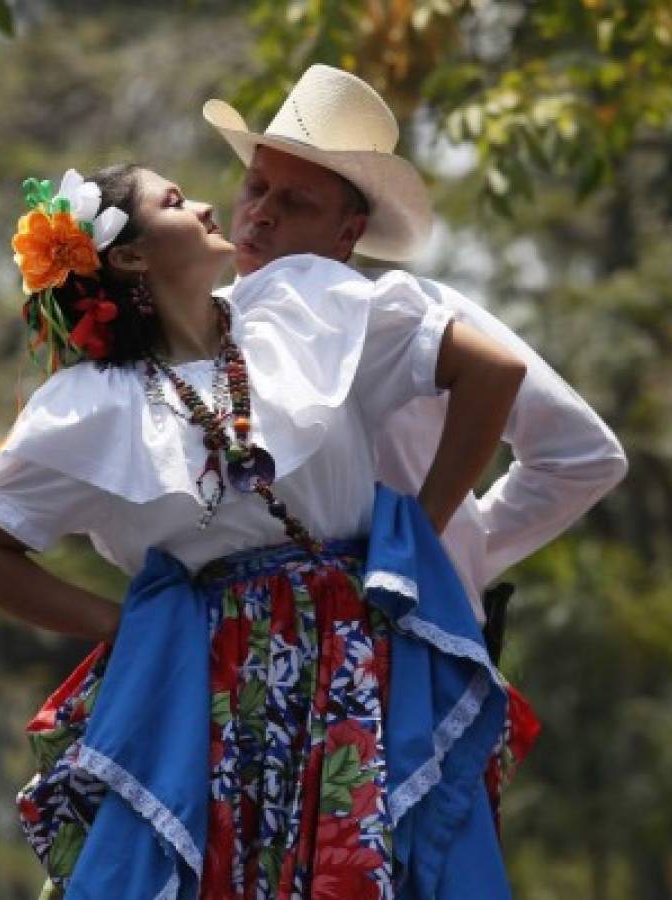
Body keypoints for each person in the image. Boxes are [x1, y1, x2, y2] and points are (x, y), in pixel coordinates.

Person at [0, 162, 531, 898]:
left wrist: (413, 537)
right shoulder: (88, 407)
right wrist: (129, 630)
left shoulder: (302, 309)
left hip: (359, 652)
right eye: (172, 199)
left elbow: (492, 368)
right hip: (212, 682)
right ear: (129, 256)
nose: (203, 202)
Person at [203, 64, 628, 628]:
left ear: (348, 235)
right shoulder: (204, 327)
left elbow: (581, 456)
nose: (262, 212)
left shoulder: (410, 310)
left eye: (298, 202)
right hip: (250, 653)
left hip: (412, 643)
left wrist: (434, 544)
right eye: (256, 187)